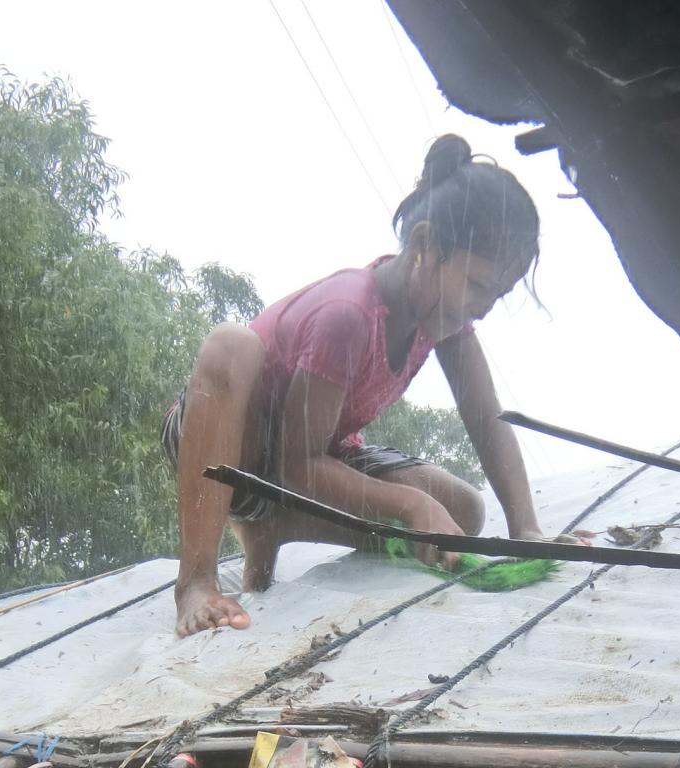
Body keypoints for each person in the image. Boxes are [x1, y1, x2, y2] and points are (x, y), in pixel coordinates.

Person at [165, 134, 551, 637]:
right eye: (478, 285)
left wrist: (527, 529)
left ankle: (278, 527)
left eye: (498, 294)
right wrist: (410, 504)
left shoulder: (449, 323)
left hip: (313, 459)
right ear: (424, 246)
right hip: (234, 452)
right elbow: (296, 466)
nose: (483, 306)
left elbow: (490, 422)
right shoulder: (348, 314)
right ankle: (195, 578)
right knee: (232, 343)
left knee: (461, 512)